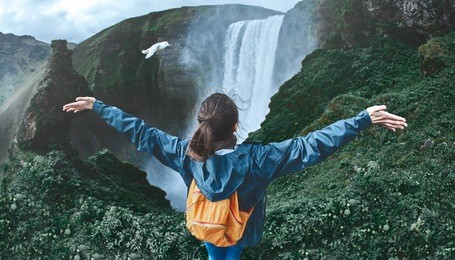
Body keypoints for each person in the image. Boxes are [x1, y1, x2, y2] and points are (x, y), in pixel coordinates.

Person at [63, 93, 407, 260]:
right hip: (241, 228)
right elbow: (309, 146)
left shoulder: (187, 155)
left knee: (215, 251)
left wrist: (99, 107)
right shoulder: (259, 159)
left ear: (203, 126)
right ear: (235, 127)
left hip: (208, 227)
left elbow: (144, 133)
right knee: (234, 248)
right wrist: (361, 118)